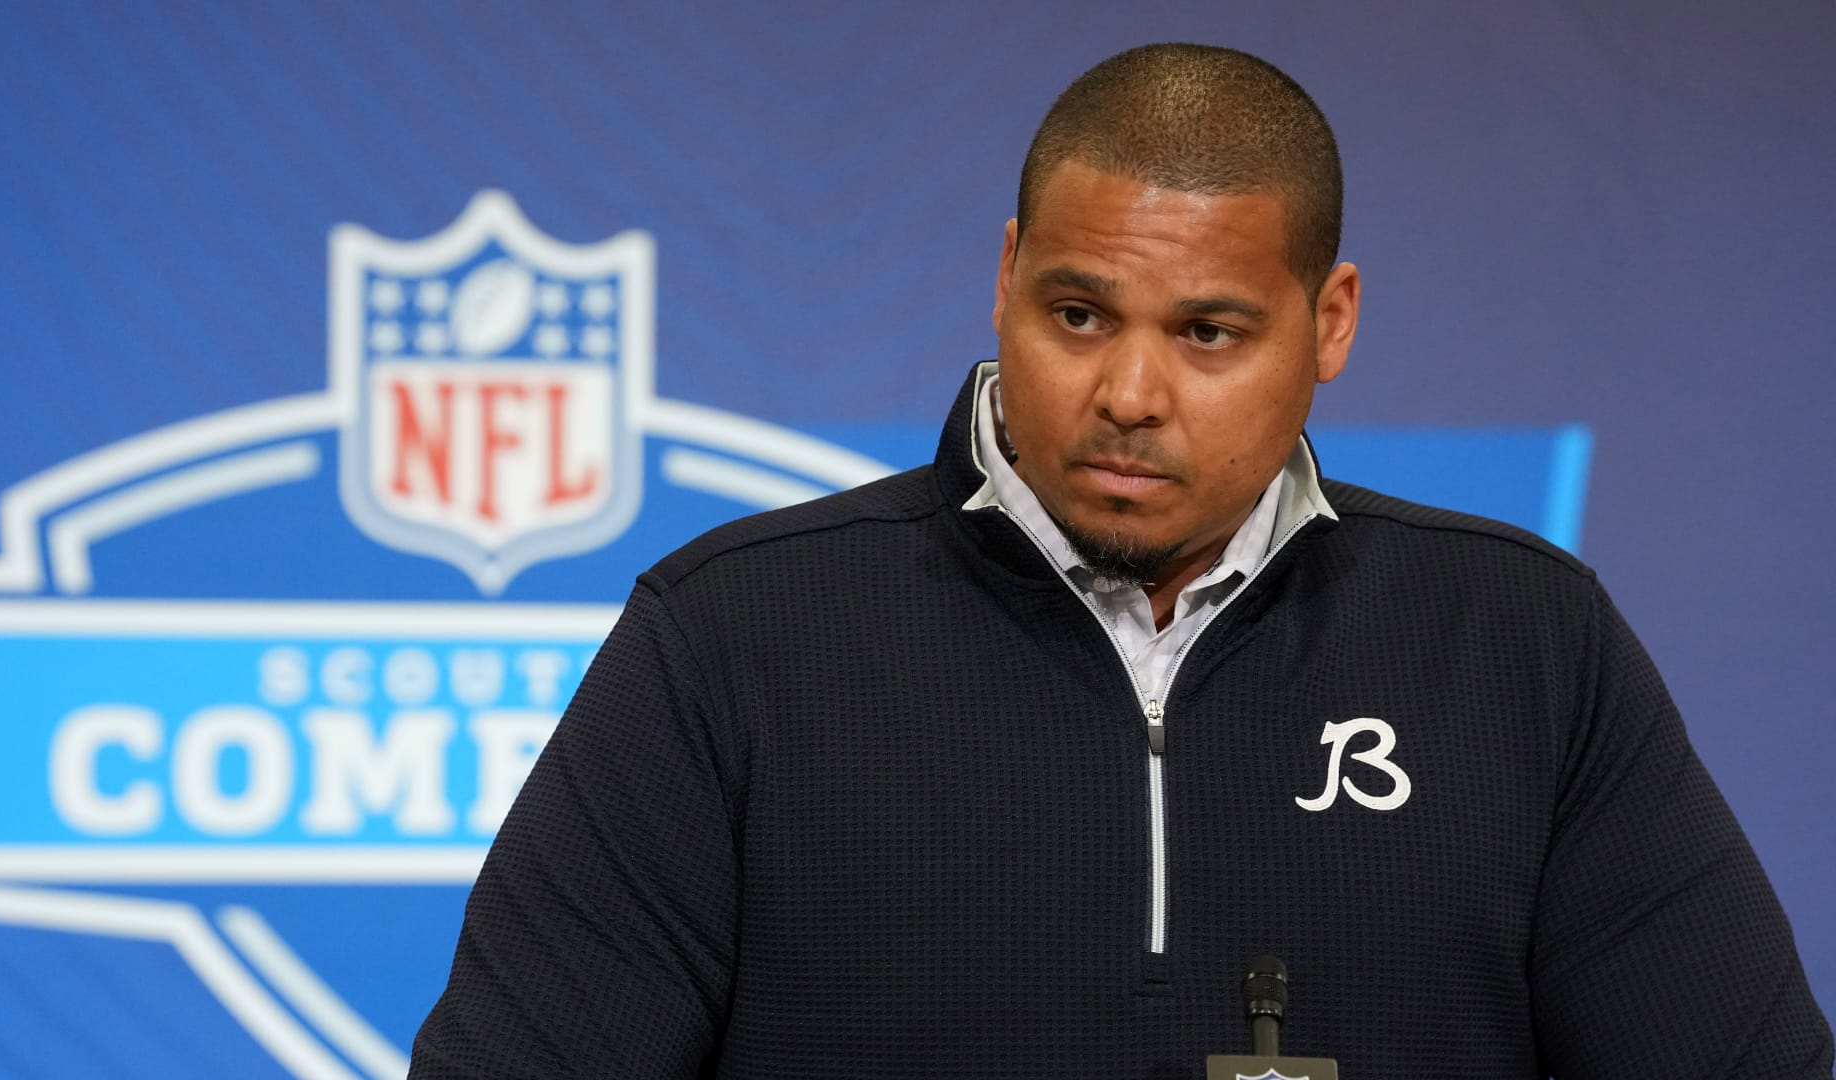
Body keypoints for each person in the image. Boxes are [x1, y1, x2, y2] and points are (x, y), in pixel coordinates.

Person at [410, 44, 1832, 1079]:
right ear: (1005, 278)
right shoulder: (733, 640)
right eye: (1079, 315)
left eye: (1209, 333)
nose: (1130, 395)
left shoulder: (1519, 643)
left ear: (1330, 322)